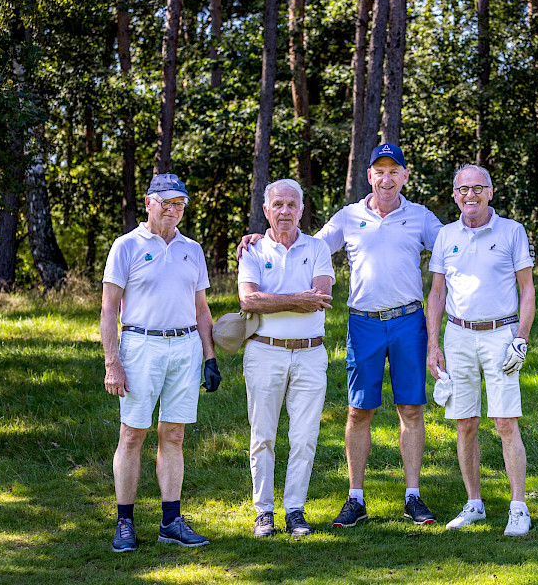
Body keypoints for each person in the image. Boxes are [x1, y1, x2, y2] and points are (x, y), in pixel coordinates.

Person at [238, 143, 443, 527]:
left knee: (411, 409)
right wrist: (259, 238)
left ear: (404, 176)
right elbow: (306, 244)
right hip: (363, 322)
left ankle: (413, 496)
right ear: (370, 176)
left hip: (408, 321)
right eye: (379, 171)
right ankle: (355, 498)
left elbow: (452, 247)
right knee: (358, 410)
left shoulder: (420, 217)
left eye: (394, 171)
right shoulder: (349, 217)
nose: (387, 179)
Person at [101, 173, 221, 552]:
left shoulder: (192, 249)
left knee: (174, 435)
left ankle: (171, 521)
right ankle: (125, 521)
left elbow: (202, 309)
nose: (173, 210)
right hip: (141, 347)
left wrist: (210, 357)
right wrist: (112, 362)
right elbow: (107, 310)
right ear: (150, 203)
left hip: (184, 347)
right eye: (167, 203)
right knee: (132, 434)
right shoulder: (126, 246)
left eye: (180, 204)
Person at [425, 164, 536, 537]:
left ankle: (519, 508)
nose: (470, 195)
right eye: (463, 189)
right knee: (465, 422)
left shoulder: (511, 232)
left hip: (501, 335)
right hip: (457, 337)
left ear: (491, 192)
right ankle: (474, 504)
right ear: (454, 195)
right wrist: (433, 345)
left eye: (477, 188)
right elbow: (437, 294)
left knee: (505, 422)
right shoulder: (445, 236)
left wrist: (521, 337)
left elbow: (528, 291)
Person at [237, 179, 335, 538]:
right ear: (266, 210)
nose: (285, 211)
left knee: (305, 436)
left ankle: (295, 509)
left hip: (311, 353)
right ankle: (264, 512)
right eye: (277, 205)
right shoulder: (253, 250)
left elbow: (321, 297)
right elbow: (248, 300)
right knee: (262, 436)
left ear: (301, 210)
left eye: (292, 205)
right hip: (265, 350)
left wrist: (274, 298)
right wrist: (298, 299)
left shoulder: (318, 248)